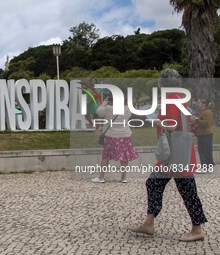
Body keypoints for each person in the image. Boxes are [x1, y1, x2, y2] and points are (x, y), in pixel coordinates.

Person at [129, 68, 207, 242]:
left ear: (163, 84)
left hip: (174, 154)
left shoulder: (170, 100)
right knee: (156, 183)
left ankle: (197, 229)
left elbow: (171, 125)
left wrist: (157, 121)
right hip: (180, 153)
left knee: (186, 190)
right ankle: (149, 223)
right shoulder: (180, 99)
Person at [91, 97, 139, 183]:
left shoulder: (108, 109)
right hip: (125, 136)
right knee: (124, 156)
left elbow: (99, 112)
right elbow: (129, 115)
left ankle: (101, 177)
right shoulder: (127, 109)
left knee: (106, 156)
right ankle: (124, 177)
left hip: (111, 136)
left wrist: (104, 103)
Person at [191, 99, 215, 168]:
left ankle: (206, 167)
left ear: (204, 104)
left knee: (204, 152)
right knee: (204, 151)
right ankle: (206, 166)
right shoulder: (203, 112)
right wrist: (194, 121)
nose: (197, 104)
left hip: (205, 135)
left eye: (199, 103)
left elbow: (207, 123)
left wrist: (196, 120)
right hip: (203, 135)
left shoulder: (207, 112)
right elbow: (201, 122)